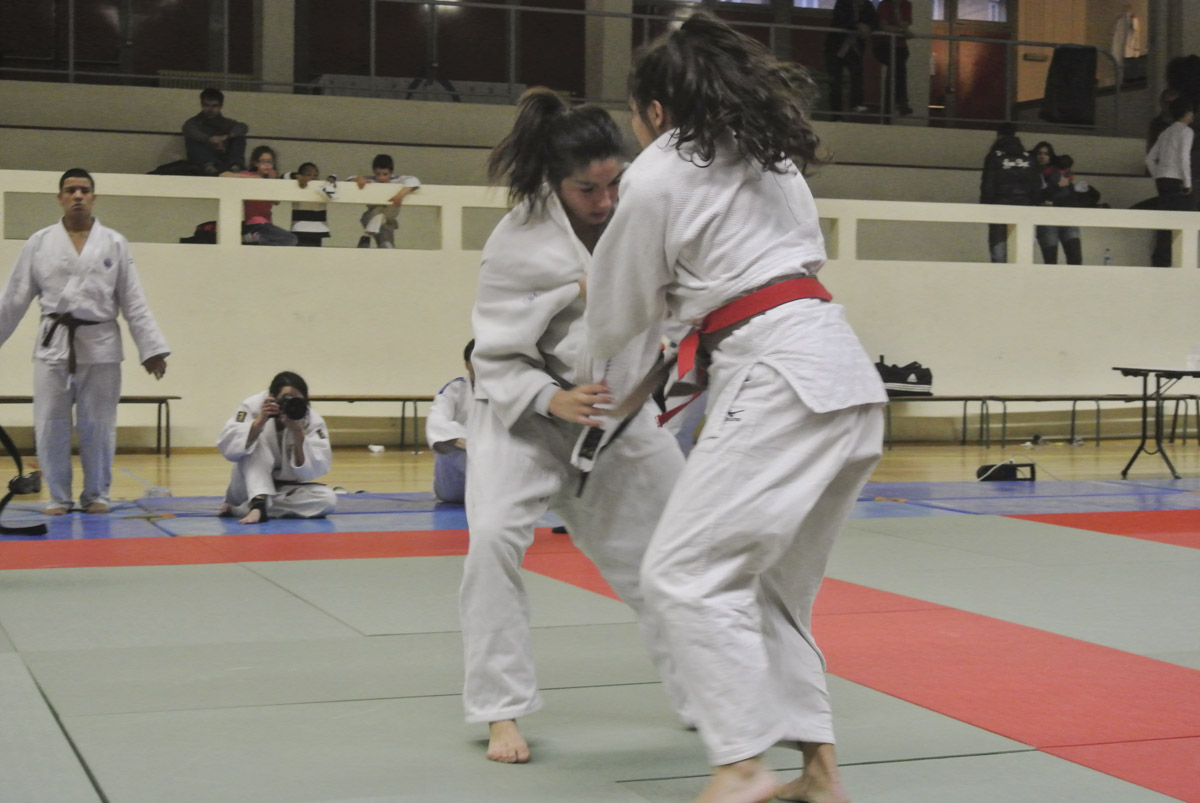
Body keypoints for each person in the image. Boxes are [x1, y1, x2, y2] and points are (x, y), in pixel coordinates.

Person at [588, 13, 888, 803]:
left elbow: (616, 316)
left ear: (656, 109)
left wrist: (598, 324)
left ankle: (742, 765)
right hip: (842, 372)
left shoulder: (658, 170)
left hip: (778, 373)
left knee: (682, 572)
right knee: (768, 590)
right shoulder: (773, 156)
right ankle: (819, 773)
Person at [461, 87, 689, 765]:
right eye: (587, 189)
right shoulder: (518, 240)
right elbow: (492, 355)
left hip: (616, 414)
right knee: (492, 539)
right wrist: (548, 398)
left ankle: (710, 693)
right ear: (554, 181)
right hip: (522, 421)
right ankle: (501, 711)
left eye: (614, 183)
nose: (604, 200)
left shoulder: (644, 214)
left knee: (677, 554)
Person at [0, 168, 170, 515]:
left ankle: (96, 494)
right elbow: (14, 297)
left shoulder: (114, 243)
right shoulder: (39, 242)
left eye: (84, 190)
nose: (77, 195)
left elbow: (133, 300)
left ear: (93, 197)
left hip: (101, 345)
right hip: (53, 346)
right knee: (50, 425)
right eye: (70, 190)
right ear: (60, 198)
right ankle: (58, 496)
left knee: (99, 425)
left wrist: (151, 349)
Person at [216, 371, 336, 524]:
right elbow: (227, 447)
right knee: (255, 436)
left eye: (298, 400)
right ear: (272, 396)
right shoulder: (252, 406)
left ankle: (242, 510)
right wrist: (259, 422)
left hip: (284, 488)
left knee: (327, 500)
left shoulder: (310, 419)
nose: (291, 403)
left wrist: (298, 433)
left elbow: (314, 469)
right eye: (287, 398)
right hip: (247, 487)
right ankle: (258, 501)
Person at [1145, 96, 1196, 267]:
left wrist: (1159, 175)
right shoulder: (1186, 132)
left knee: (1165, 222)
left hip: (1162, 181)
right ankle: (1180, 262)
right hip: (1177, 181)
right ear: (1187, 113)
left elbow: (1149, 159)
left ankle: (1160, 262)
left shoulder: (1165, 132)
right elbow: (1184, 158)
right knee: (1182, 221)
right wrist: (1188, 183)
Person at [980, 123, 1040, 263]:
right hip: (1024, 206)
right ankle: (1021, 274)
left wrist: (985, 206)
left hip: (1000, 204)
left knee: (998, 243)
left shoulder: (994, 156)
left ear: (998, 136)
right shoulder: (1028, 157)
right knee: (1022, 246)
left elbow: (988, 184)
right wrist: (1033, 203)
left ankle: (999, 272)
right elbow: (1036, 185)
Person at [426, 340, 474, 504]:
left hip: (495, 467)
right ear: (467, 364)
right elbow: (437, 422)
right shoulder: (455, 389)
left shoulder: (505, 391)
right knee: (453, 435)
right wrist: (469, 444)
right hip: (454, 483)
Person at [221, 145, 299, 246]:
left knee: (288, 240)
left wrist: (272, 181)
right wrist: (250, 178)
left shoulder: (270, 179)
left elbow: (276, 201)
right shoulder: (250, 175)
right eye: (263, 162)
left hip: (266, 224)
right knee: (291, 239)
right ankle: (254, 238)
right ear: (256, 163)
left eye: (269, 162)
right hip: (253, 222)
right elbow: (224, 175)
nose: (267, 165)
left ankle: (254, 239)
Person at [1031, 142, 1082, 265]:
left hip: (1067, 217)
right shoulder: (1031, 173)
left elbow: (1070, 194)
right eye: (1039, 153)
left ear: (1051, 156)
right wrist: (1056, 186)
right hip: (1046, 220)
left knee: (1075, 259)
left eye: (1046, 154)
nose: (1042, 156)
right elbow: (1032, 196)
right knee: (1051, 262)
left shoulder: (1060, 171)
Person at [353, 154, 420, 248]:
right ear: (373, 171)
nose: (381, 178)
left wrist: (400, 195)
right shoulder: (369, 180)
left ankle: (367, 235)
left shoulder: (396, 180)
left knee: (386, 243)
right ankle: (368, 235)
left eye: (385, 174)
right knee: (387, 244)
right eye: (378, 174)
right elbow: (348, 179)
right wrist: (358, 179)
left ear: (391, 172)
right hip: (372, 216)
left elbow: (414, 180)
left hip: (390, 216)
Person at [824, 0, 877, 117]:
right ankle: (836, 114)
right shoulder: (842, 3)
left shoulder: (868, 6)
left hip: (854, 49)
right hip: (836, 47)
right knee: (835, 82)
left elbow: (875, 22)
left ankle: (857, 103)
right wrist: (857, 26)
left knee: (857, 76)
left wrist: (869, 28)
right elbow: (840, 20)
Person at [182, 87, 249, 175]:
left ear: (220, 106)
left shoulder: (226, 123)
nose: (210, 109)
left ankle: (235, 165)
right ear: (201, 105)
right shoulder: (193, 123)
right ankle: (209, 165)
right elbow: (188, 128)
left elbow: (243, 127)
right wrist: (210, 140)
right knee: (192, 139)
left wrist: (225, 137)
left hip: (225, 160)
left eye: (214, 106)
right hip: (202, 162)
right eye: (206, 105)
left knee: (239, 136)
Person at [873, 0, 914, 115]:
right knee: (898, 68)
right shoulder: (884, 4)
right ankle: (901, 101)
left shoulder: (906, 5)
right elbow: (884, 27)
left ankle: (892, 107)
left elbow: (904, 24)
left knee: (896, 71)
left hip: (900, 47)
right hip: (884, 46)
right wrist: (903, 31)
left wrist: (896, 10)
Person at [288, 162, 334, 247]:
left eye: (316, 175)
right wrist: (296, 176)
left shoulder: (321, 188)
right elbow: (285, 176)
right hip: (300, 228)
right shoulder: (297, 188)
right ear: (301, 175)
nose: (313, 177)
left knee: (315, 253)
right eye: (308, 174)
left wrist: (331, 180)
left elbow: (334, 177)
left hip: (318, 229)